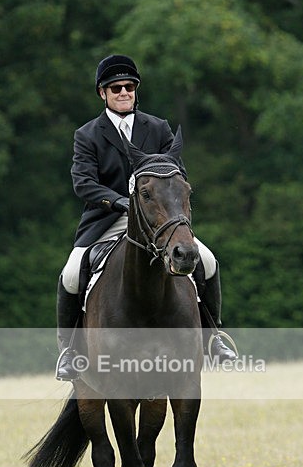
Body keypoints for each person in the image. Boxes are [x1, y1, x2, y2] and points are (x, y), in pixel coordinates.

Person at [56, 54, 237, 381]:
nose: (124, 92)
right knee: (71, 274)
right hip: (109, 219)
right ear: (103, 93)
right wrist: (119, 202)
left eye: (129, 87)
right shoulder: (88, 135)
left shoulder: (158, 128)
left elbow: (177, 172)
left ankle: (213, 339)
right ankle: (69, 351)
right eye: (116, 88)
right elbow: (83, 183)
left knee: (208, 262)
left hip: (160, 219)